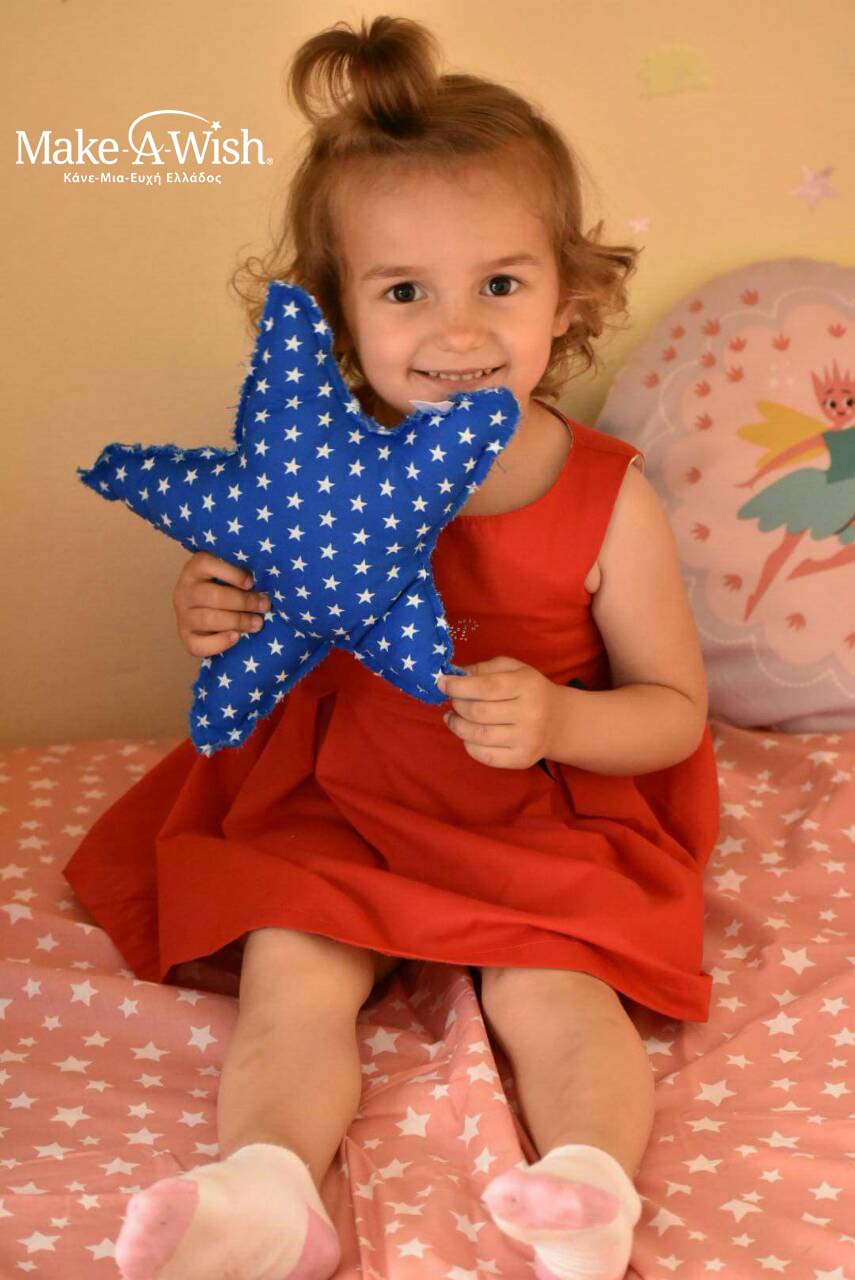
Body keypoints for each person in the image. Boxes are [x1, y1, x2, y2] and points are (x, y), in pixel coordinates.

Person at [63, 15, 719, 1280]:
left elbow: (674, 709)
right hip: (341, 795)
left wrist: (562, 717)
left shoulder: (605, 495)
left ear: (566, 294)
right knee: (292, 969)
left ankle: (590, 1183)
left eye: (500, 284)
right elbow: (262, 620)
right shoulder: (306, 478)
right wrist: (210, 607)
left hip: (534, 812)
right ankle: (264, 1190)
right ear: (333, 312)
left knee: (552, 988)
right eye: (405, 290)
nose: (456, 331)